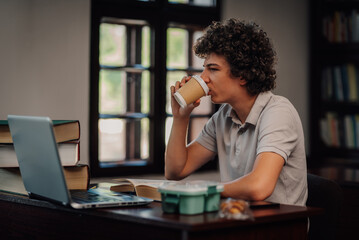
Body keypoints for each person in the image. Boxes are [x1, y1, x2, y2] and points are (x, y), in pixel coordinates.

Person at [165, 18, 307, 206]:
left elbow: (259, 187)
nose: (203, 78)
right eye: (204, 69)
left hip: (280, 227)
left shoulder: (278, 112)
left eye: (213, 69)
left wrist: (205, 190)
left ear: (243, 75)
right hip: (239, 220)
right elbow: (175, 171)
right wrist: (180, 117)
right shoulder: (223, 117)